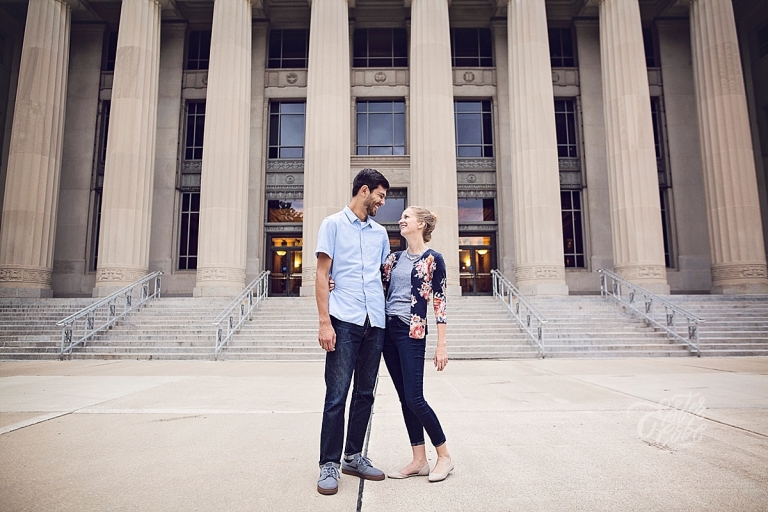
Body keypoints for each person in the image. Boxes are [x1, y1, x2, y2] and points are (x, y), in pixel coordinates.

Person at [315, 168, 391, 496]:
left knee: (366, 394)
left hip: (375, 321)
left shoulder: (380, 233)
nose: (382, 202)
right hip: (343, 319)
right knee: (337, 394)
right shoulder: (331, 225)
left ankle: (353, 456)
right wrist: (324, 322)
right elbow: (321, 275)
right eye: (380, 196)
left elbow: (387, 275)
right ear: (364, 191)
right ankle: (329, 463)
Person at [381, 206, 454, 483]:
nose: (401, 220)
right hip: (388, 332)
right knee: (404, 399)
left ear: (421, 224)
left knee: (415, 398)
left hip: (411, 334)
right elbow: (375, 284)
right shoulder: (393, 259)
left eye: (407, 217)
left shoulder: (433, 259)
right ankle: (419, 460)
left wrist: (441, 345)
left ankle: (444, 456)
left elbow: (440, 303)